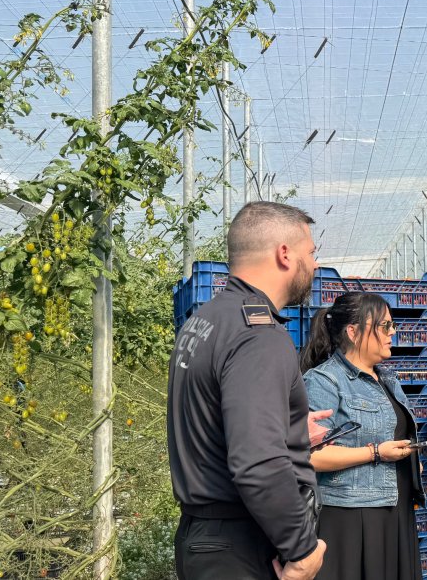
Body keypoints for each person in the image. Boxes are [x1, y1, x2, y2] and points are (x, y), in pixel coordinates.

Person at [167, 201, 327, 580]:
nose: (315, 264)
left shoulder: (206, 319)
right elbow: (257, 464)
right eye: (311, 252)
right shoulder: (259, 336)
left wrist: (287, 430)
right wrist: (302, 549)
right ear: (284, 254)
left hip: (206, 537)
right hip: (241, 545)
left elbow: (216, 420)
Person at [301, 292, 424, 580]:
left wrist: (409, 459)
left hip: (395, 510)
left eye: (392, 325)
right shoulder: (323, 381)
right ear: (353, 332)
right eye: (384, 326)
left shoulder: (388, 380)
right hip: (352, 515)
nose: (392, 332)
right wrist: (377, 452)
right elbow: (312, 456)